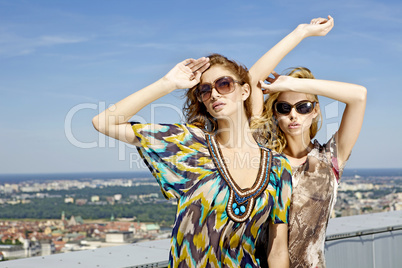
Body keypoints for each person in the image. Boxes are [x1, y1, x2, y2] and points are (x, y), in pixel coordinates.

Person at [92, 54, 292, 267]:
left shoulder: (278, 167)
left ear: (244, 91)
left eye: (224, 84)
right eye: (205, 90)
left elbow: (278, 251)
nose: (214, 94)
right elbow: (104, 123)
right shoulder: (188, 146)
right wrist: (167, 84)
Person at [251, 17, 367, 267]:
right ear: (275, 114)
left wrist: (293, 83)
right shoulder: (265, 156)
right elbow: (251, 81)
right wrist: (300, 32)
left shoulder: (330, 159)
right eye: (284, 107)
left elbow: (359, 96)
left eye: (303, 107)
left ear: (315, 111)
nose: (293, 115)